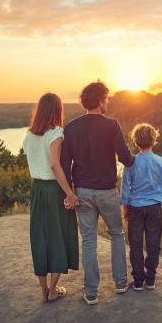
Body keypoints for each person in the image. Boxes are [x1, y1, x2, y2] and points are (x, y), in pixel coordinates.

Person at [61, 81, 134, 305]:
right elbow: (125, 158)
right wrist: (137, 159)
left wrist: (69, 193)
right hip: (107, 192)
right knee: (116, 234)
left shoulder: (71, 127)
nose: (108, 102)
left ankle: (91, 292)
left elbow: (64, 164)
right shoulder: (112, 125)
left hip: (82, 192)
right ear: (101, 101)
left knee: (89, 240)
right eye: (107, 99)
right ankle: (121, 283)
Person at [22, 93, 79, 303]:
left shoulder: (29, 134)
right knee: (58, 236)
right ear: (58, 110)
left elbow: (34, 160)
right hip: (53, 190)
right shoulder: (56, 133)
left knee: (40, 237)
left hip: (37, 189)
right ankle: (53, 290)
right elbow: (55, 165)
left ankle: (43, 290)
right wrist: (69, 193)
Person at [121, 123, 162, 291]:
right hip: (154, 207)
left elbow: (125, 187)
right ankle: (151, 280)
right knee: (153, 244)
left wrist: (125, 207)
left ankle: (138, 281)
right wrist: (158, 203)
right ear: (154, 140)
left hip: (135, 208)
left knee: (135, 245)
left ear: (136, 141)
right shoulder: (161, 162)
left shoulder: (131, 162)